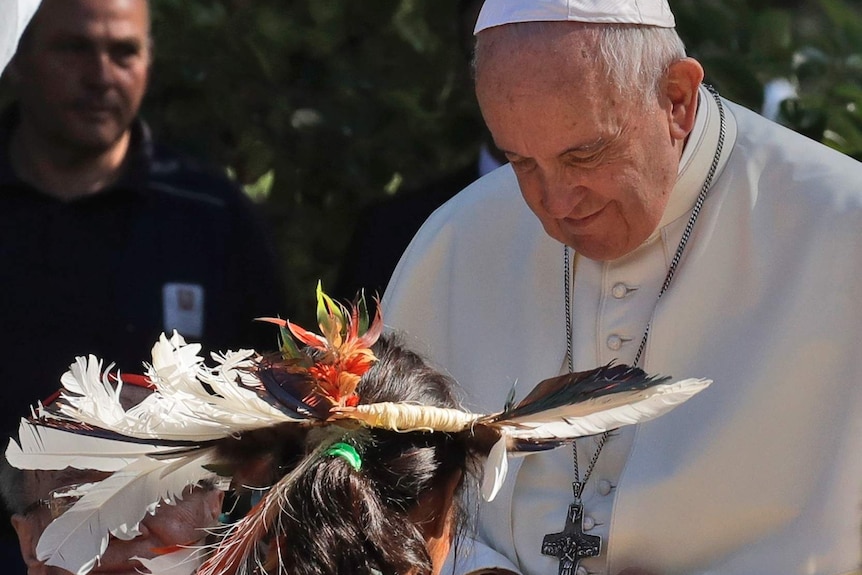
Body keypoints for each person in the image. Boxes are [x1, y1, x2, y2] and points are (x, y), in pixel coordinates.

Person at [382, 1, 862, 574]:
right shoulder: (458, 242)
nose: (555, 204)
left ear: (676, 100)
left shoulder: (841, 229)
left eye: (584, 154)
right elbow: (384, 492)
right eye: (520, 162)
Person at [0, 0, 286, 439]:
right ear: (16, 58)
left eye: (124, 52)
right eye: (73, 48)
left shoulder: (211, 218)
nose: (101, 77)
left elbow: (275, 401)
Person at [335, 0, 505, 300]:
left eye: (540, 49)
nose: (519, 74)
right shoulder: (393, 234)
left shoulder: (613, 218)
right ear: (464, 71)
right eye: (491, 55)